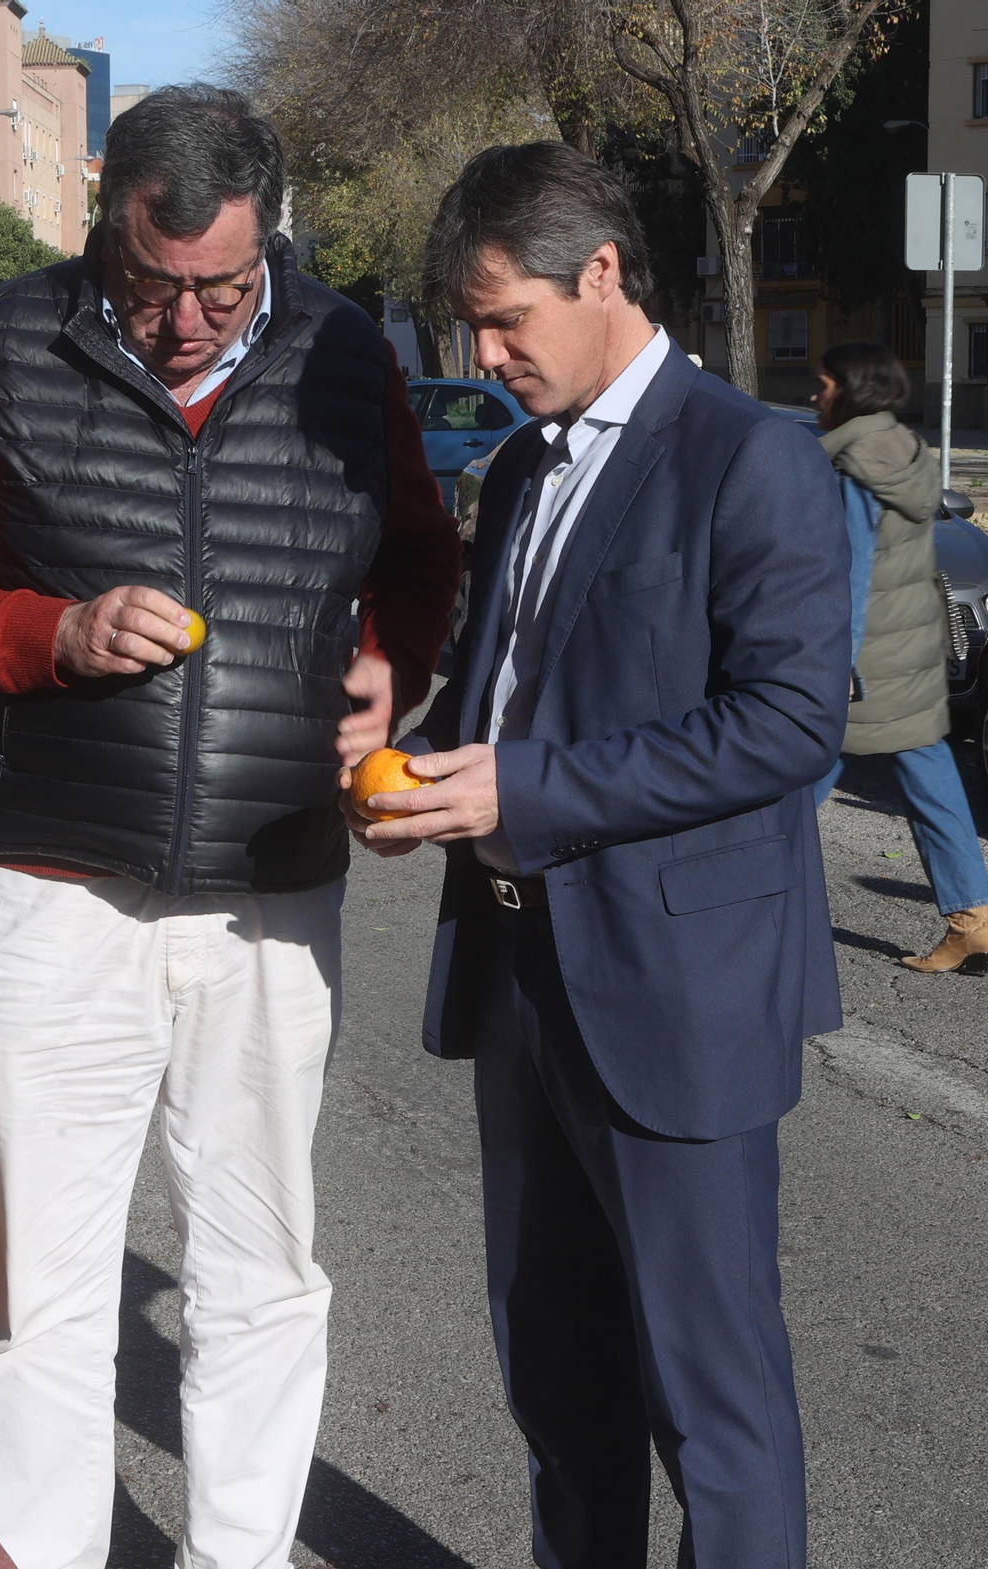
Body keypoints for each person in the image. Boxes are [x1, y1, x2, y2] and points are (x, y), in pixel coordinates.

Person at [0, 84, 459, 1569]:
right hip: (55, 899)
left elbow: (420, 555)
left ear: (270, 248)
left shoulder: (338, 353)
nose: (186, 321)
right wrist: (48, 632)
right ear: (101, 227)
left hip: (270, 896)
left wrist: (397, 663)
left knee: (260, 1274)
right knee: (35, 1306)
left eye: (222, 287)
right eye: (151, 285)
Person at [344, 142, 850, 1569]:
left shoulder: (751, 454)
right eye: (472, 327)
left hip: (677, 986)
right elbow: (518, 695)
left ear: (606, 274)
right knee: (554, 1372)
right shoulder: (516, 469)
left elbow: (792, 726)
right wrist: (424, 761)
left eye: (508, 319)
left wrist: (526, 783)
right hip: (520, 972)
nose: (489, 353)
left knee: (712, 1397)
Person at [810, 340, 988, 972]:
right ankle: (973, 917)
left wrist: (833, 667)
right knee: (931, 777)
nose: (814, 394)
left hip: (866, 660)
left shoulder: (854, 464)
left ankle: (735, 898)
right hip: (910, 648)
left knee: (792, 777)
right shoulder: (906, 451)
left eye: (824, 383)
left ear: (850, 390)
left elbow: (850, 574)